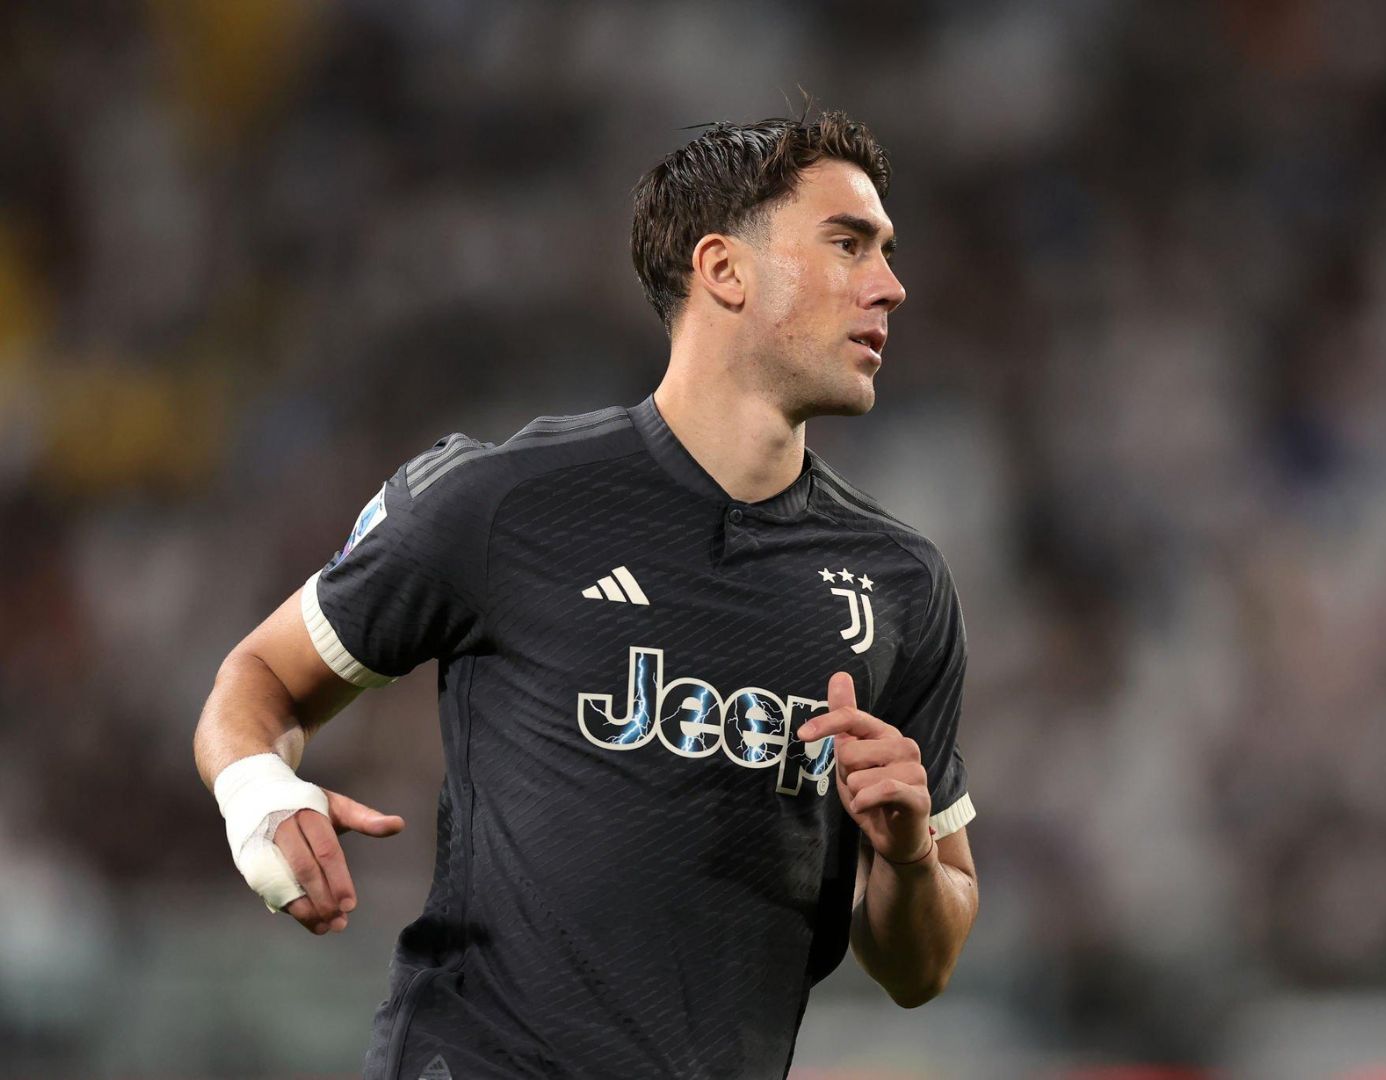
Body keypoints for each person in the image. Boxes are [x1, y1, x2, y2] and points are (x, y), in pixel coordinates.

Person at [193, 108, 978, 1080]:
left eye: (887, 251)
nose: (890, 286)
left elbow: (921, 967)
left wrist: (904, 854)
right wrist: (259, 795)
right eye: (848, 243)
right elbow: (261, 673)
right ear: (724, 271)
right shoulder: (503, 502)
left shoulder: (899, 584)